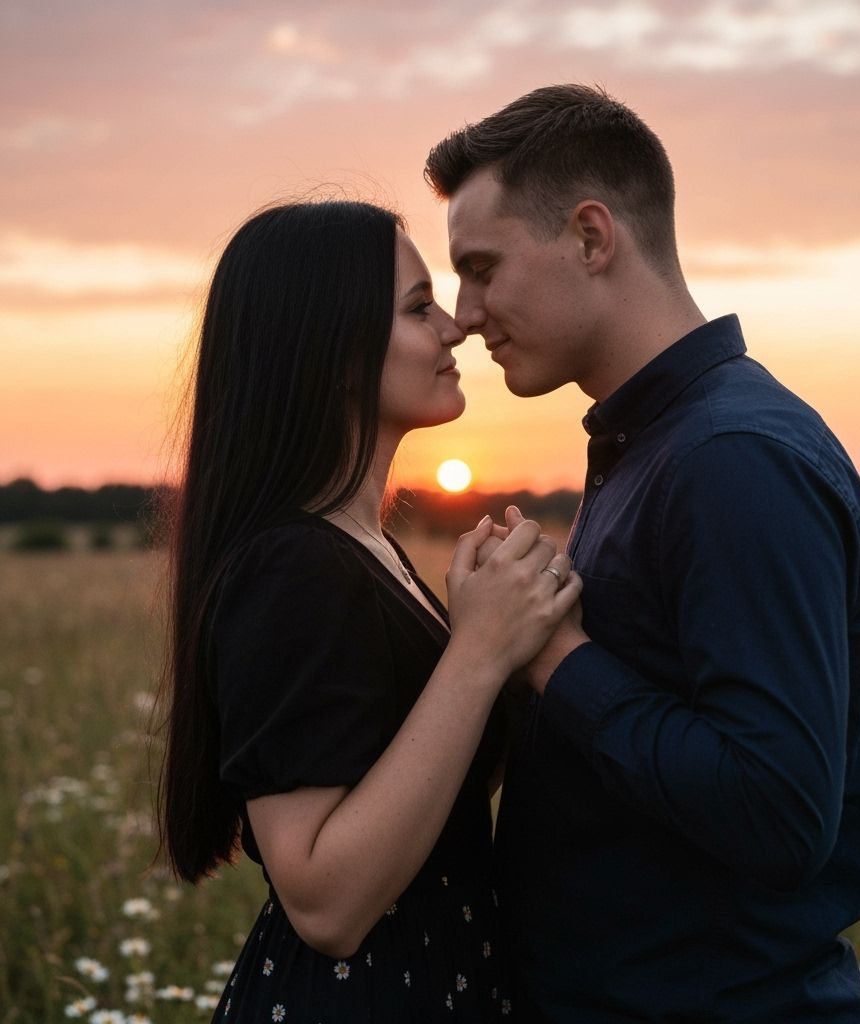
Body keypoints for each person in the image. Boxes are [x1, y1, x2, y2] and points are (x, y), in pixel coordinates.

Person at [424, 84, 860, 1023]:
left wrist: (556, 658)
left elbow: (778, 812)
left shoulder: (733, 459)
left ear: (592, 237)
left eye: (481, 267)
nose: (464, 314)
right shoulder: (658, 446)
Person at [156, 199, 581, 1022]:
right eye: (419, 308)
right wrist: (479, 653)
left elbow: (426, 792)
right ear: (336, 352)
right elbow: (325, 904)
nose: (455, 328)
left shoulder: (364, 550)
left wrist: (518, 641)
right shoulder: (291, 567)